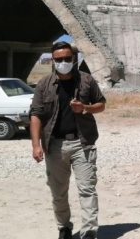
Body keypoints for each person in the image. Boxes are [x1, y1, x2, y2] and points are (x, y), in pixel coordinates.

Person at [29, 41, 106, 239]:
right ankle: (64, 228)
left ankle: (89, 232)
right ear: (52, 61)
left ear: (73, 59)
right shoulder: (44, 84)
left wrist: (85, 108)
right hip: (54, 145)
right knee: (58, 192)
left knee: (87, 190)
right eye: (59, 59)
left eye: (67, 58)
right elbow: (36, 114)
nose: (63, 62)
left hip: (82, 143)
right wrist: (36, 145)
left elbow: (101, 104)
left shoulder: (86, 80)